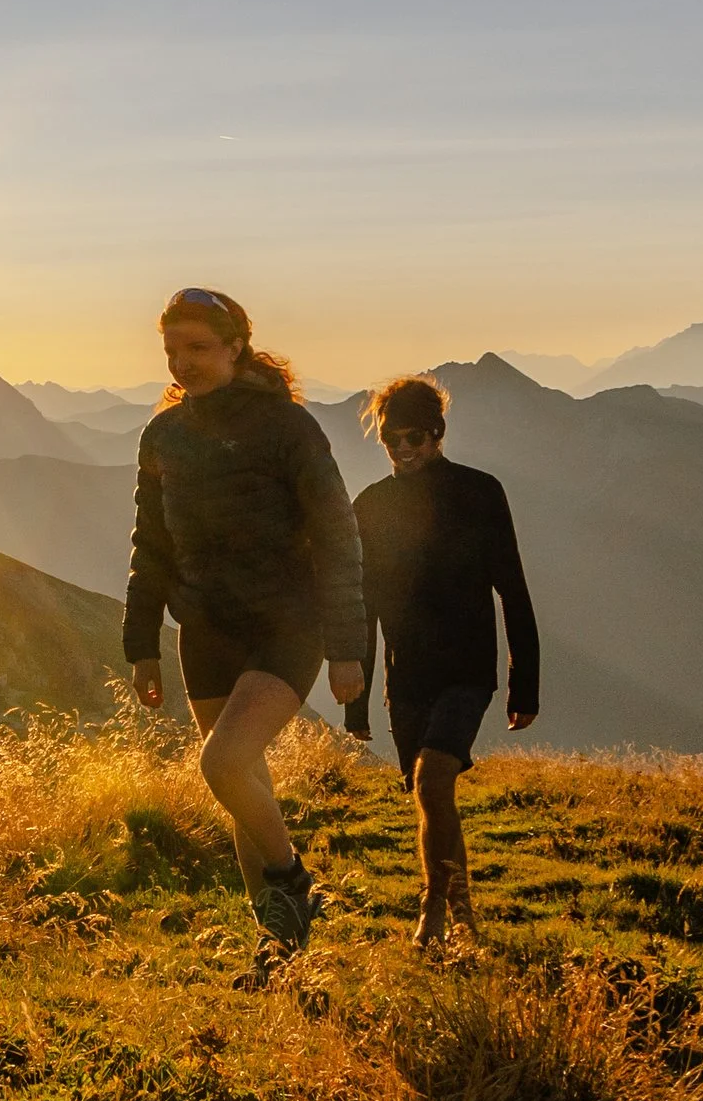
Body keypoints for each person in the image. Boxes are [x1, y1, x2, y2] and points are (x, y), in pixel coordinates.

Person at [125, 287, 367, 955]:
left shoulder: (288, 428)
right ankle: (278, 945)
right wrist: (141, 642)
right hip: (204, 628)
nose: (183, 364)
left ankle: (291, 877)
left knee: (224, 760)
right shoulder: (164, 435)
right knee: (244, 780)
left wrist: (349, 646)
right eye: (172, 350)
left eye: (198, 348)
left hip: (287, 623)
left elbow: (337, 534)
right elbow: (150, 543)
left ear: (237, 346)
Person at [346, 374, 540, 947]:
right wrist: (358, 700)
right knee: (431, 796)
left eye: (412, 439)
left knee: (432, 783)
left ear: (437, 434)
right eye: (390, 440)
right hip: (406, 676)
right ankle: (464, 915)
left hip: (466, 669)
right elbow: (365, 606)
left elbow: (513, 588)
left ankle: (433, 912)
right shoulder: (372, 505)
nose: (401, 451)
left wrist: (522, 685)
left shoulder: (481, 493)